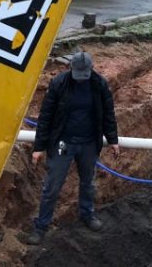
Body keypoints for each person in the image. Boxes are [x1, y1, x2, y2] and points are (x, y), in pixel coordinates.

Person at [25, 51, 119, 245]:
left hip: (88, 144)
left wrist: (113, 139)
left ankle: (87, 214)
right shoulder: (59, 84)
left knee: (88, 183)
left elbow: (108, 113)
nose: (82, 80)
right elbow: (45, 117)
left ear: (91, 69)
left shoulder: (99, 84)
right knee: (52, 186)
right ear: (70, 68)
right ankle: (41, 226)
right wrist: (39, 147)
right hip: (63, 143)